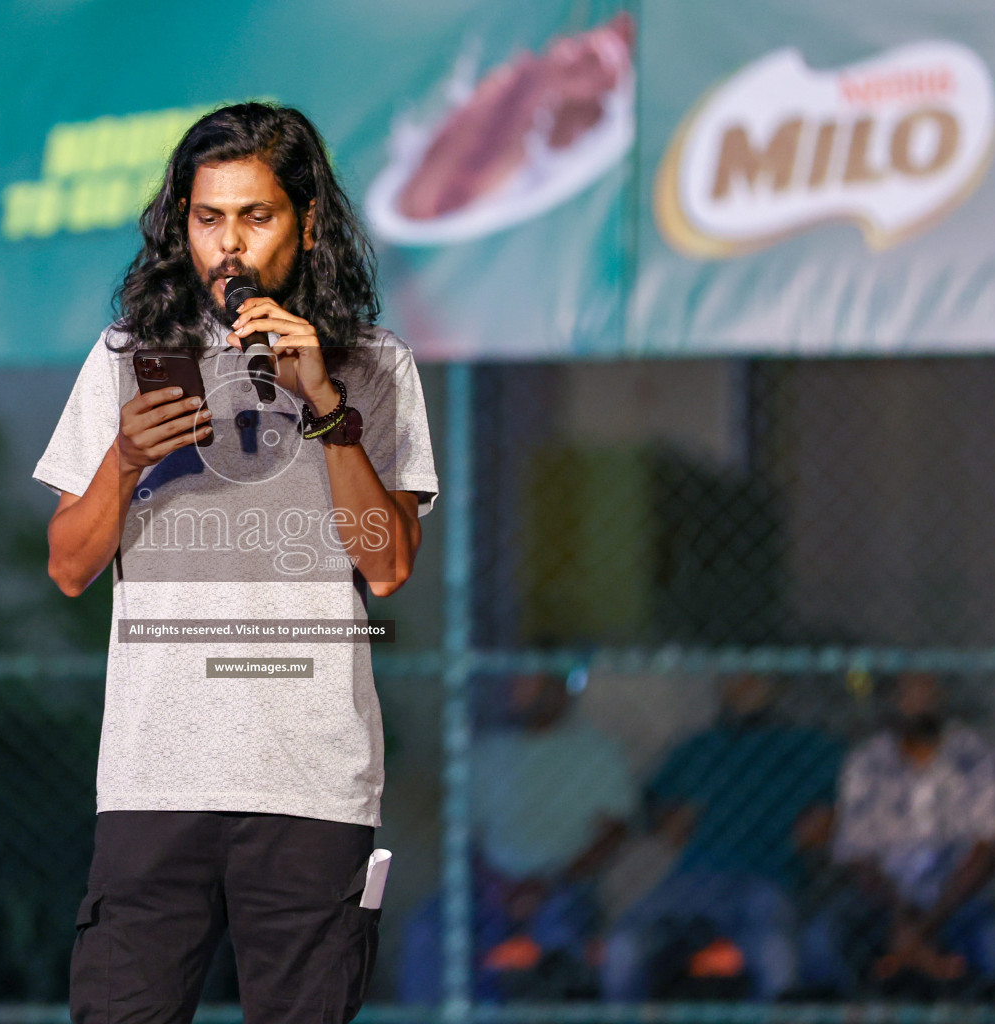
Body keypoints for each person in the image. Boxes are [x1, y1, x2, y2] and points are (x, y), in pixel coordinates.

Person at [33, 103, 439, 1024]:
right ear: (181, 225)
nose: (229, 246)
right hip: (154, 776)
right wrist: (124, 460)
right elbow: (66, 565)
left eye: (255, 217)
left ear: (307, 223)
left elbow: (385, 569)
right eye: (208, 218)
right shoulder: (131, 359)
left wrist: (327, 407)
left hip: (309, 778)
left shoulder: (375, 368)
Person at [600, 675, 843, 1001]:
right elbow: (649, 807)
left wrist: (826, 825)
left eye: (753, 675)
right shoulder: (700, 746)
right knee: (623, 947)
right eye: (733, 676)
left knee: (776, 956)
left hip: (766, 878)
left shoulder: (807, 744)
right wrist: (669, 820)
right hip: (693, 878)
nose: (741, 683)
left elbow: (848, 804)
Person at [398, 673, 635, 1002]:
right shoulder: (487, 753)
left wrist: (549, 884)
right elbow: (463, 838)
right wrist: (498, 887)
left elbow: (613, 834)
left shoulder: (597, 752)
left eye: (537, 680)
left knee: (561, 939)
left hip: (564, 889)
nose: (523, 690)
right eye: (519, 681)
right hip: (490, 890)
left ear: (561, 689)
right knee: (425, 929)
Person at [803, 673, 995, 995]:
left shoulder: (976, 756)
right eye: (907, 694)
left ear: (943, 698)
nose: (917, 704)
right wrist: (902, 919)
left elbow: (984, 853)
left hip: (954, 896)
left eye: (927, 694)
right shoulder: (866, 760)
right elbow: (859, 856)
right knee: (820, 939)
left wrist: (926, 926)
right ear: (891, 702)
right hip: (884, 897)